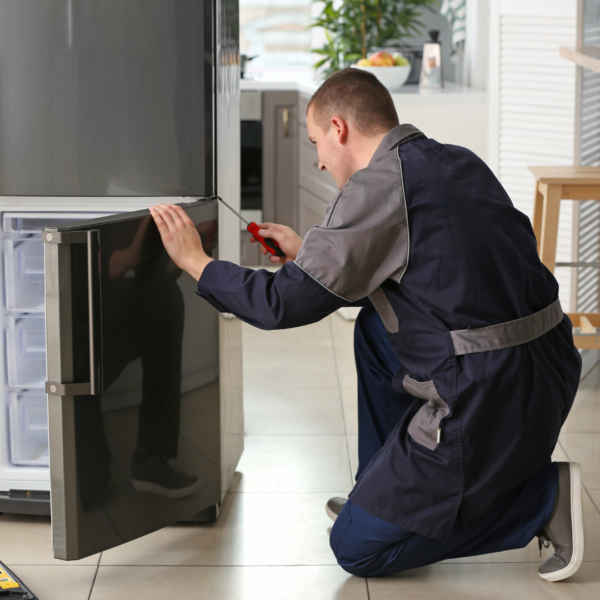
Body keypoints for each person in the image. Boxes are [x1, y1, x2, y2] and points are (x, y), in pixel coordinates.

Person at [149, 68, 584, 582]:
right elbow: (425, 258)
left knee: (357, 549)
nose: (318, 158)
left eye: (316, 142)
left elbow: (280, 305)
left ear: (339, 128)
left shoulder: (375, 187)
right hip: (550, 364)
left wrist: (197, 262)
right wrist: (311, 248)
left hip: (488, 390)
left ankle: (543, 499)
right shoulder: (452, 159)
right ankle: (381, 492)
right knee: (376, 334)